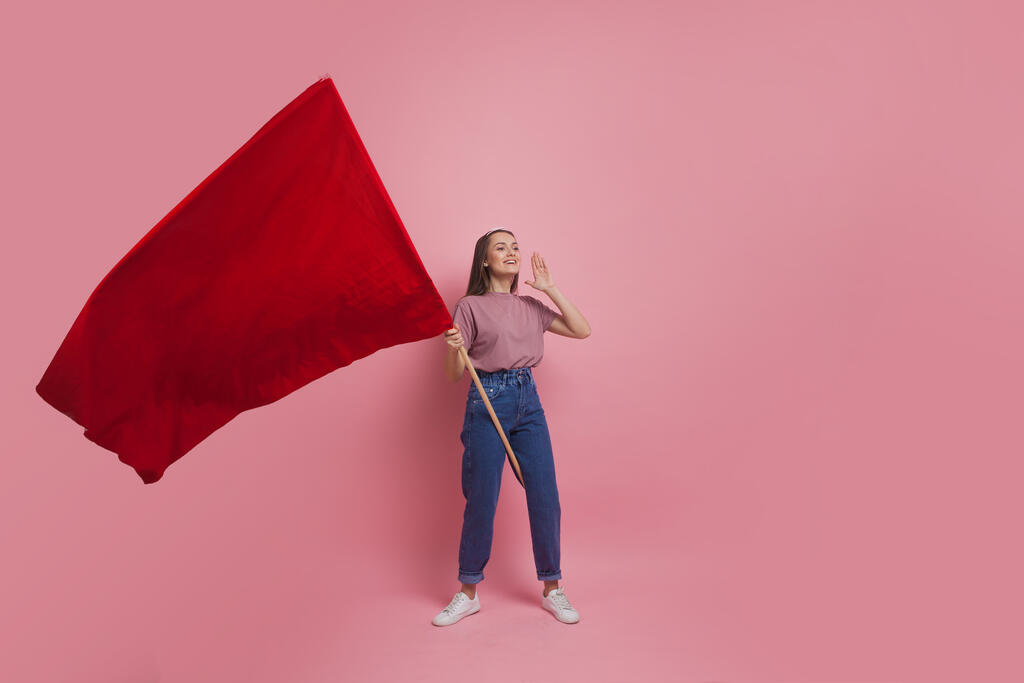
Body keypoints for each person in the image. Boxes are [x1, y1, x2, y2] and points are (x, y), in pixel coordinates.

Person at [432, 227, 591, 626]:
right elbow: (454, 374)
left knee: (545, 495)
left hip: (528, 401)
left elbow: (581, 329)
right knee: (481, 499)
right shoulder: (469, 306)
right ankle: (468, 591)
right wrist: (453, 350)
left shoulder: (531, 306)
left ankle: (552, 588)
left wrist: (551, 289)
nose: (511, 252)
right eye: (500, 247)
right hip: (486, 400)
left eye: (515, 246)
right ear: (484, 260)